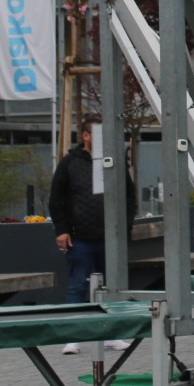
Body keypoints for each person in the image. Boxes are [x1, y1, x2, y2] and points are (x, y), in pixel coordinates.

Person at [50, 125, 135, 354]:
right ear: (86, 136)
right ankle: (73, 337)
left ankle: (112, 334)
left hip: (110, 237)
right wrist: (62, 230)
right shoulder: (69, 163)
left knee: (112, 286)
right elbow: (56, 199)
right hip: (80, 237)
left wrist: (125, 228)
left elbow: (128, 196)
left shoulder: (113, 162)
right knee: (78, 285)